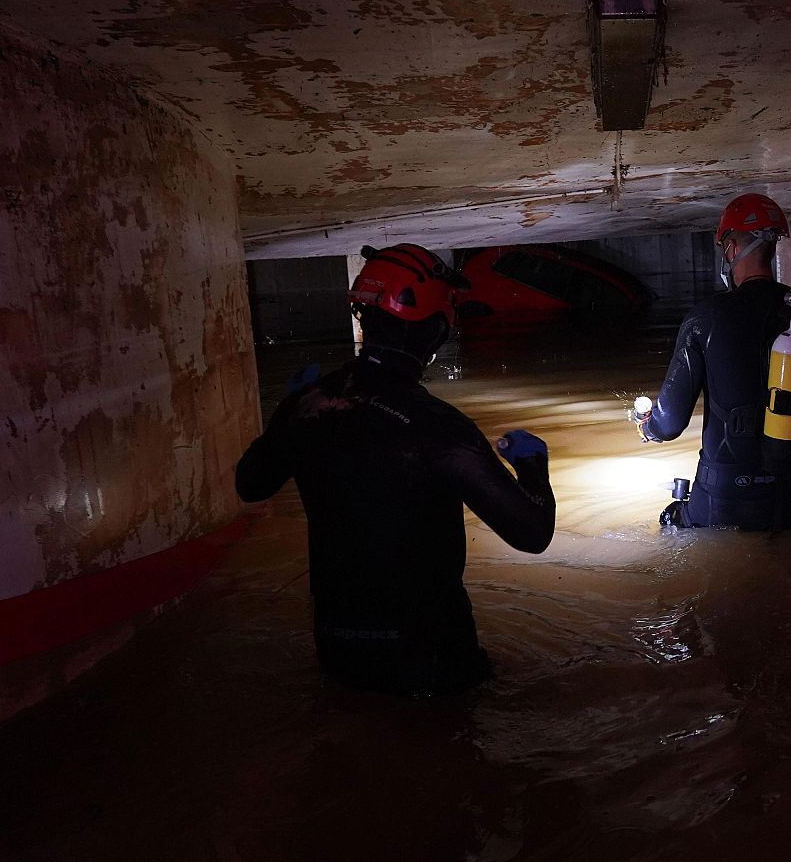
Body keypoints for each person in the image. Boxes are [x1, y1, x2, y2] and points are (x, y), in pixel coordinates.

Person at [235, 243, 555, 696]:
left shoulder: (308, 407)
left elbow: (250, 485)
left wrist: (286, 415)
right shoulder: (438, 426)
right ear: (436, 330)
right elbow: (533, 533)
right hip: (433, 658)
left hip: (338, 653)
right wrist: (533, 468)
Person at [635, 193, 791, 530]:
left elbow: (669, 423)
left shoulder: (704, 318)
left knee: (671, 525)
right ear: (772, 247)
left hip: (722, 499)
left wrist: (648, 428)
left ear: (730, 248)